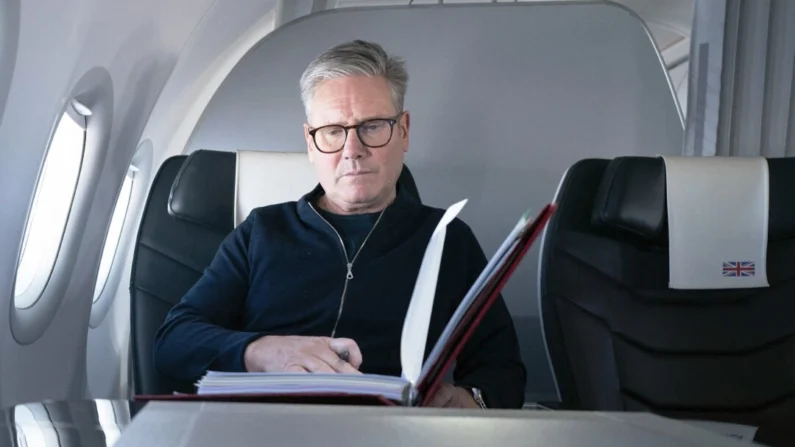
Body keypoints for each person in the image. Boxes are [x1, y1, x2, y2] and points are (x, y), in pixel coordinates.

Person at [153, 39, 526, 409]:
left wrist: (471, 398)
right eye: (332, 131)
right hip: (265, 429)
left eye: (373, 126)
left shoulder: (448, 239)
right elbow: (174, 340)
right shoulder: (261, 231)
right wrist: (261, 351)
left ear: (404, 130)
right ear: (311, 143)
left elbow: (503, 369)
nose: (352, 149)